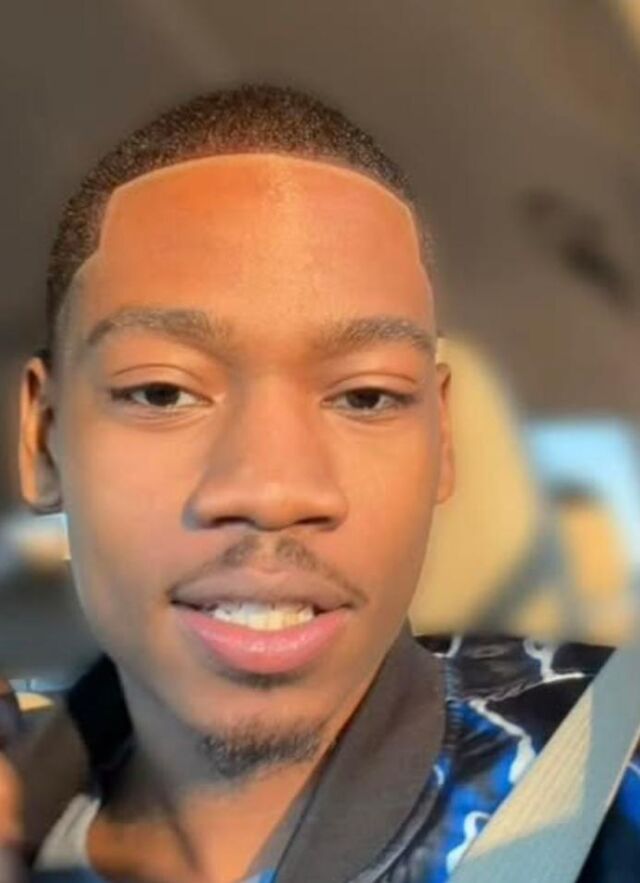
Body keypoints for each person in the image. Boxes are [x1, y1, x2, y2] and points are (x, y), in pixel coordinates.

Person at [5, 84, 639, 882]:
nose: (274, 491)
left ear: (442, 440)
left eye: (366, 397)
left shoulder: (609, 768)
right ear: (44, 438)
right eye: (162, 392)